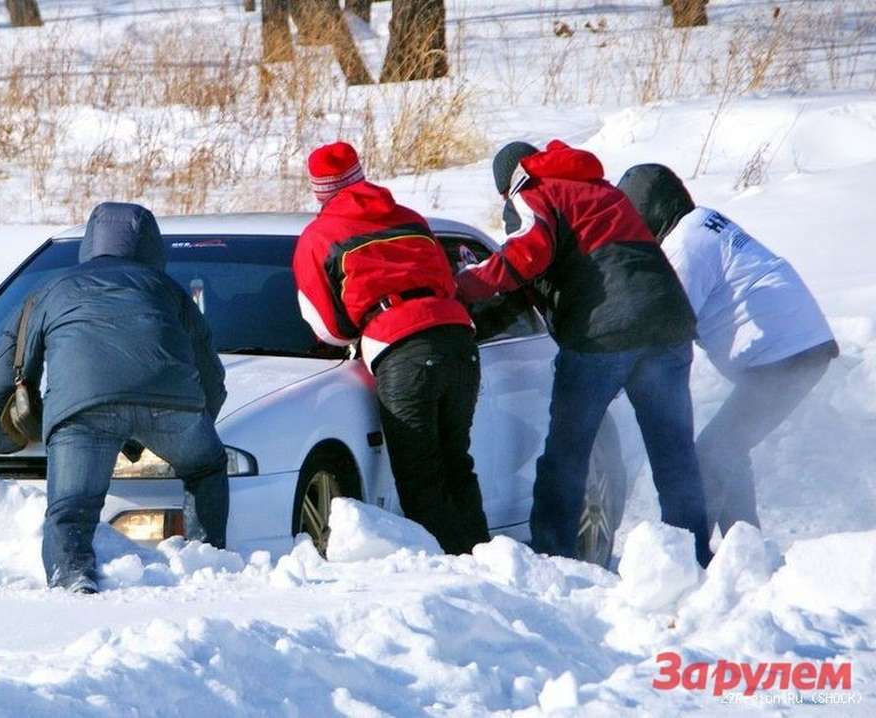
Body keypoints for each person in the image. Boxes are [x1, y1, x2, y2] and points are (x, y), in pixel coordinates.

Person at [456, 140, 713, 566]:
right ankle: (694, 559)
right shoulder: (603, 191)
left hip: (604, 333)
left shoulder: (534, 192)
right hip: (668, 323)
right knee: (674, 452)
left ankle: (554, 558)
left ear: (509, 182)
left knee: (569, 450)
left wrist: (463, 284)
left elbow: (525, 254)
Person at [0, 202, 228, 594]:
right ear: (152, 246)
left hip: (82, 410)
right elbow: (211, 375)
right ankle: (206, 562)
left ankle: (72, 577)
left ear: (89, 243)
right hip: (173, 405)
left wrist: (1, 441)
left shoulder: (51, 289)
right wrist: (195, 421)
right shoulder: (168, 290)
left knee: (70, 510)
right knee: (207, 467)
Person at [618, 163, 838, 536]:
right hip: (796, 346)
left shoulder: (684, 245)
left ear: (648, 211)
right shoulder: (703, 221)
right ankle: (745, 544)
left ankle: (694, 553)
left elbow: (669, 322)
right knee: (727, 452)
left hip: (785, 356)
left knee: (711, 456)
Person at [292, 142, 488, 555]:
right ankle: (483, 558)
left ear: (318, 190)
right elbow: (446, 281)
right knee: (457, 464)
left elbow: (329, 328)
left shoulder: (319, 237)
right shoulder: (412, 219)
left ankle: (448, 568)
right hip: (459, 341)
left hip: (402, 349)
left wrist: (361, 327)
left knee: (421, 475)